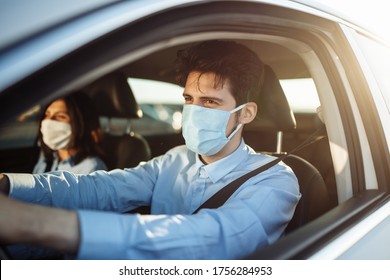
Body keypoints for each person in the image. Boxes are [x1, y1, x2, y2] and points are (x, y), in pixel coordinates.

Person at [0, 40, 300, 260]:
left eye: (209, 102)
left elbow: (216, 239)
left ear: (245, 113)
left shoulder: (275, 181)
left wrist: (34, 224)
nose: (193, 111)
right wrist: (10, 185)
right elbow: (99, 187)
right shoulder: (175, 160)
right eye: (188, 99)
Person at [33, 92, 107, 174]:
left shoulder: (92, 167)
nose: (49, 121)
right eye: (47, 114)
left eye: (60, 116)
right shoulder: (47, 156)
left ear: (80, 124)